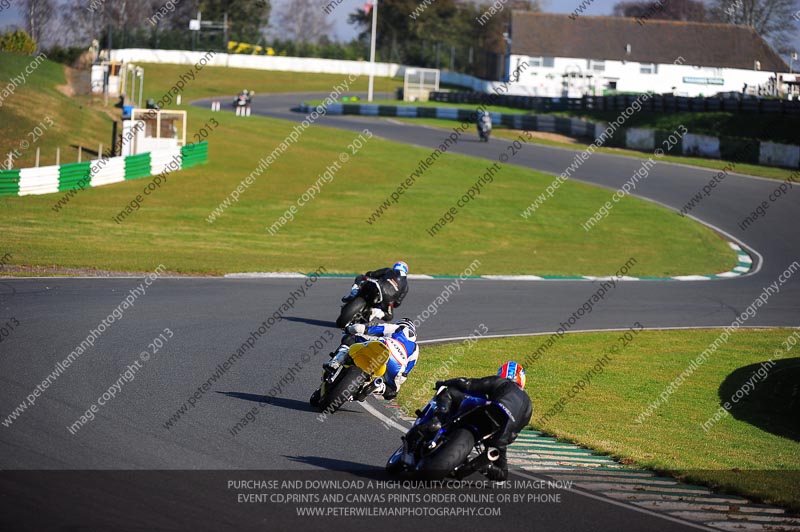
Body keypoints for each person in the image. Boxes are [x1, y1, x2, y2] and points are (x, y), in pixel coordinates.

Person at [431, 362, 532, 481]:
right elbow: (514, 434)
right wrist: (501, 441)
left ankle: (437, 420)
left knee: (449, 392)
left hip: (489, 412)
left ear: (502, 374)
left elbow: (466, 383)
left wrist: (444, 383)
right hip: (501, 435)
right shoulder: (529, 406)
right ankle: (480, 465)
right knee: (502, 474)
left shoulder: (502, 382)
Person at [317, 318, 419, 402]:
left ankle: (336, 362)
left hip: (385, 345)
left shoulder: (396, 327)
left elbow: (362, 328)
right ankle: (375, 386)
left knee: (350, 338)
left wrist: (349, 329)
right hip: (398, 364)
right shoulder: (416, 348)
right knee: (391, 393)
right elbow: (404, 376)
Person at [342, 261, 409, 320]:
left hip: (378, 285)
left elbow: (371, 274)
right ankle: (376, 312)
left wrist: (368, 275)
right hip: (388, 299)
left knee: (361, 277)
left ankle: (354, 292)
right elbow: (397, 303)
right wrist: (391, 301)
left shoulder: (389, 270)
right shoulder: (406, 286)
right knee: (389, 316)